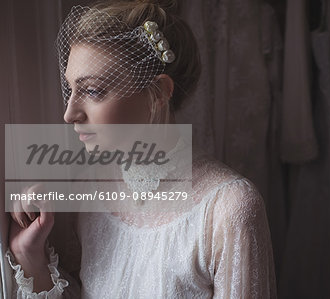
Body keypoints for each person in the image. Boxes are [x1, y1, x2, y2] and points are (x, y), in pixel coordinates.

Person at [6, 0, 277, 298]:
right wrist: (30, 256)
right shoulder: (89, 190)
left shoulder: (228, 208)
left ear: (158, 92)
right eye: (70, 89)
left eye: (93, 90)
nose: (70, 114)